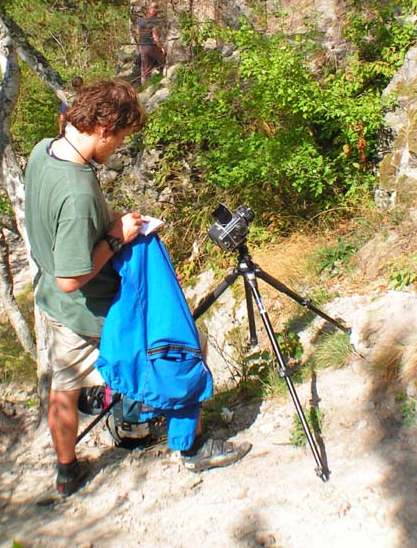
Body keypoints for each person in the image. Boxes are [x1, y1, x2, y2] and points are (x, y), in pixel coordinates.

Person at [25, 78, 249, 498]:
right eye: (122, 138)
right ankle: (192, 447)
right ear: (104, 128)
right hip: (92, 308)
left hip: (56, 308)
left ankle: (66, 471)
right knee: (184, 344)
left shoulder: (43, 151)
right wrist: (118, 236)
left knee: (65, 385)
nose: (120, 148)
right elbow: (70, 276)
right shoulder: (77, 191)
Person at [137, 1, 167, 85]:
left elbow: (138, 33)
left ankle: (144, 88)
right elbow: (155, 37)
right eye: (155, 8)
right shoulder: (155, 22)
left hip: (143, 47)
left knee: (144, 71)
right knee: (165, 62)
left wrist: (140, 46)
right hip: (152, 46)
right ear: (149, 10)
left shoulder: (140, 21)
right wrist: (162, 48)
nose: (156, 11)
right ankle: (164, 82)